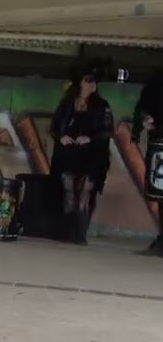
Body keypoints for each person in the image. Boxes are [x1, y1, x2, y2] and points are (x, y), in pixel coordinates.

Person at [49, 64, 114, 245]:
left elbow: (108, 130)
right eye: (88, 81)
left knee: (86, 193)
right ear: (79, 83)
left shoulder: (102, 105)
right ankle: (66, 232)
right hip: (68, 153)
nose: (92, 85)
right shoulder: (67, 103)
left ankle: (80, 234)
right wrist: (60, 137)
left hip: (92, 154)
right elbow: (54, 127)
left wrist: (90, 138)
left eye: (93, 82)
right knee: (68, 191)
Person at [132, 68, 163, 255]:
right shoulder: (158, 79)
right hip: (159, 142)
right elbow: (143, 105)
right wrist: (144, 119)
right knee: (160, 194)